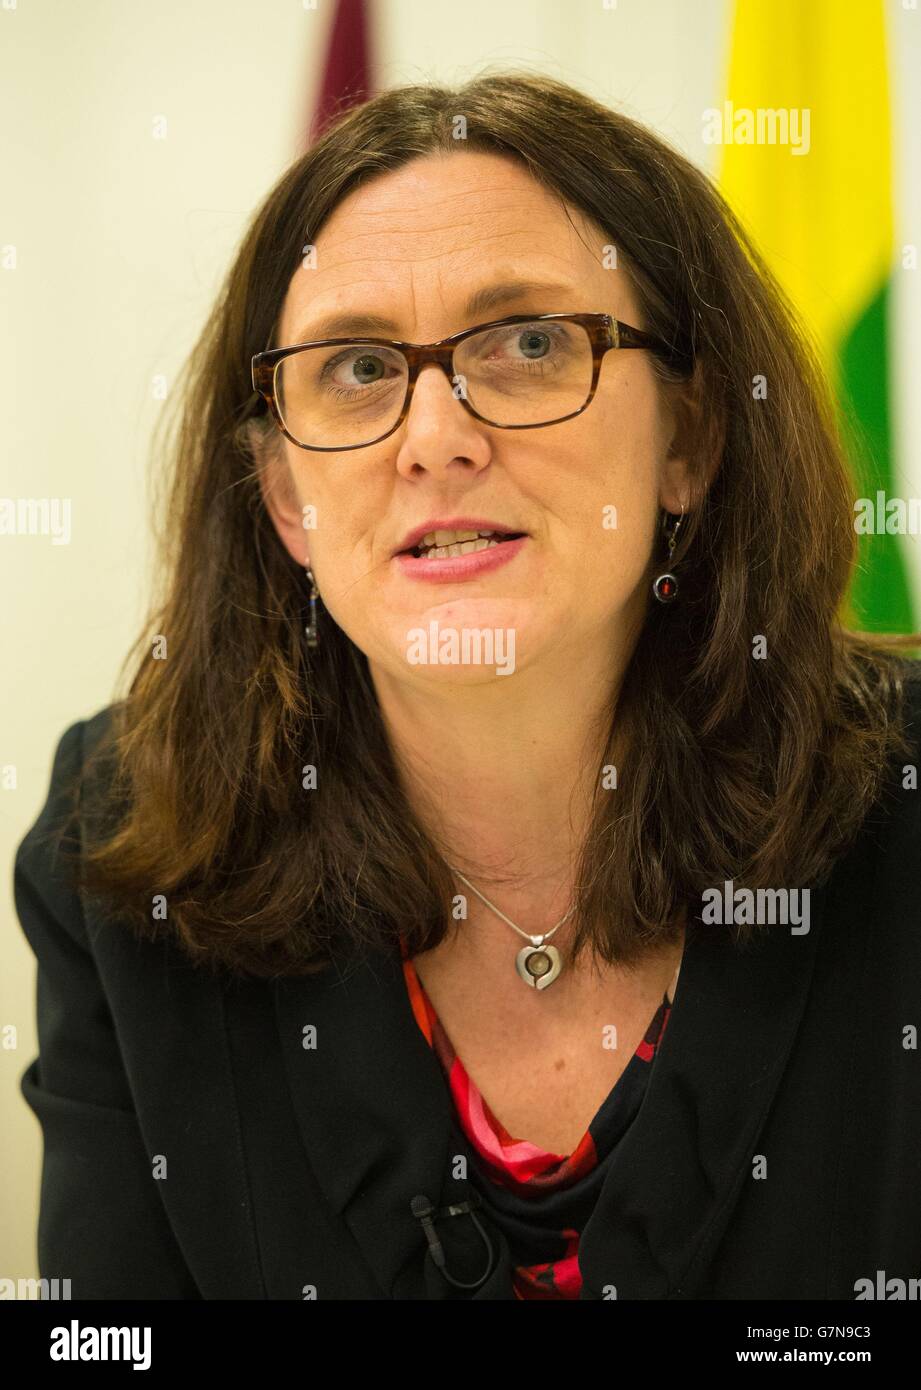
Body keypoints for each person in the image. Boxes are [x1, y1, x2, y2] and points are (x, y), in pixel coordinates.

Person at [14, 71, 921, 1301]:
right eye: (354, 367)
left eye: (532, 343)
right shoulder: (124, 837)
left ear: (691, 441)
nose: (433, 435)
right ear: (285, 497)